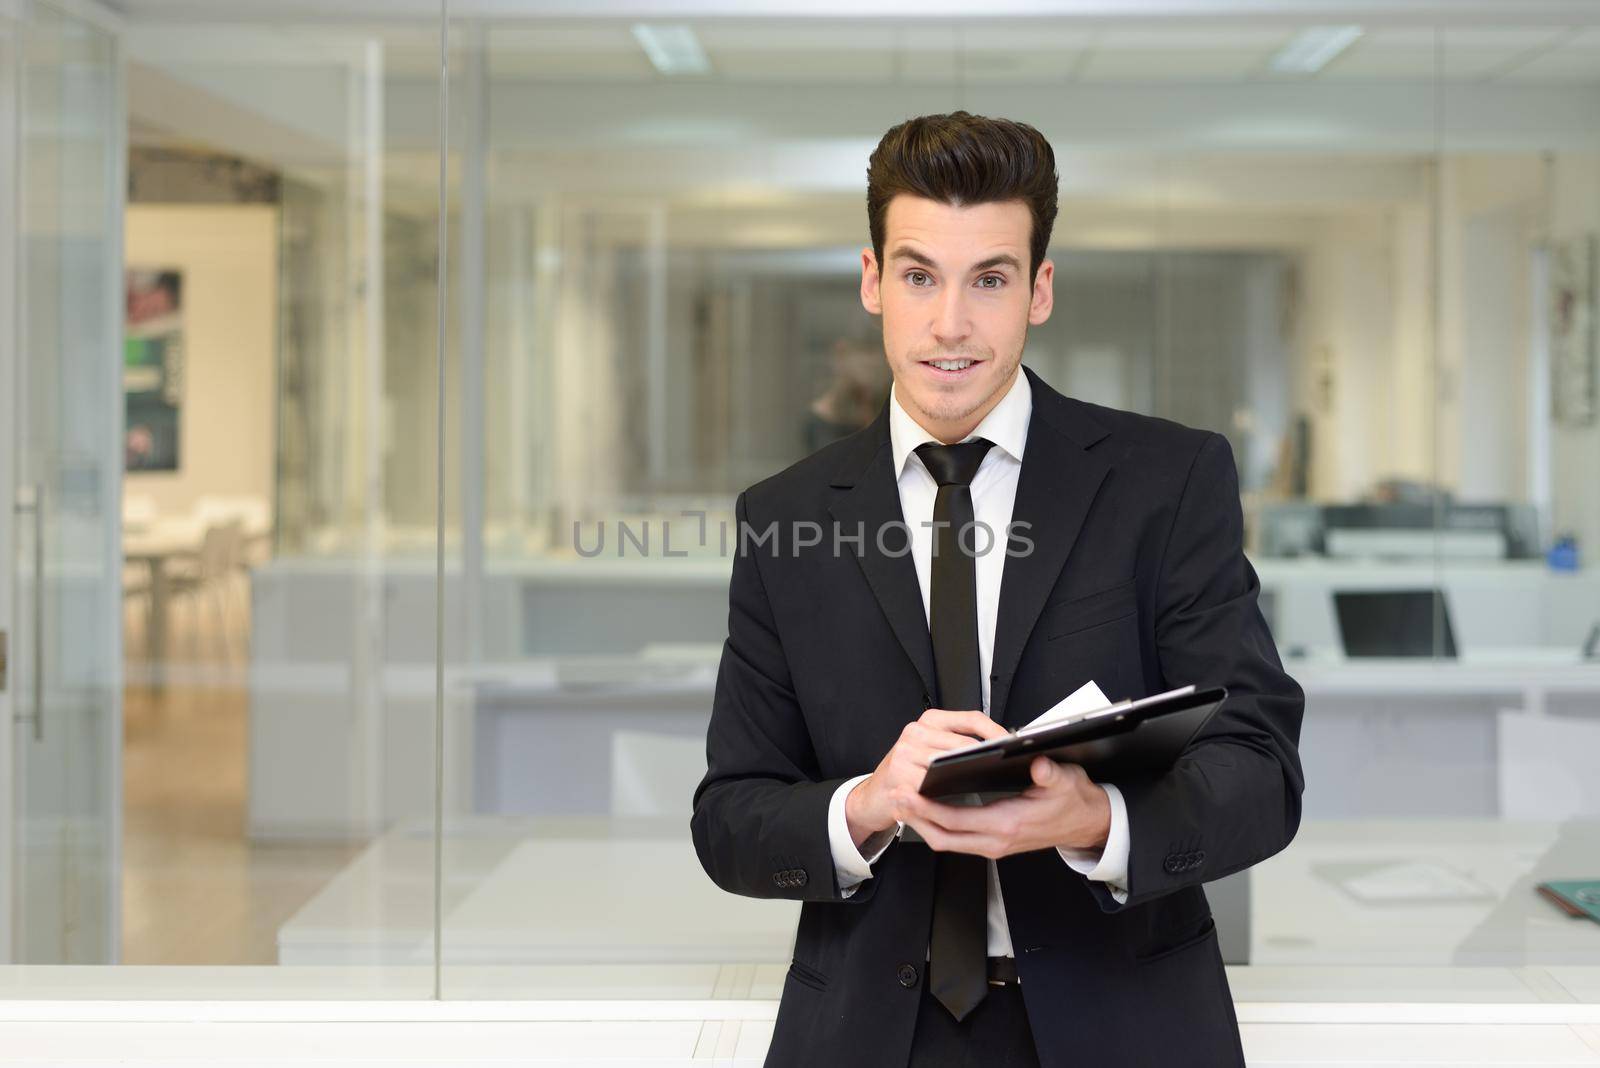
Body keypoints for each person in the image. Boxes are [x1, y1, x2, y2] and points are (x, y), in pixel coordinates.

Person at [690, 110, 1304, 1068]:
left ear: (1039, 290)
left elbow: (1262, 769)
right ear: (872, 280)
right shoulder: (784, 516)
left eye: (990, 279)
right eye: (919, 274)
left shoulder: (1165, 481)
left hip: (1126, 1024)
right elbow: (730, 818)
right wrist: (867, 803)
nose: (950, 324)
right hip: (865, 1035)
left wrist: (1096, 820)